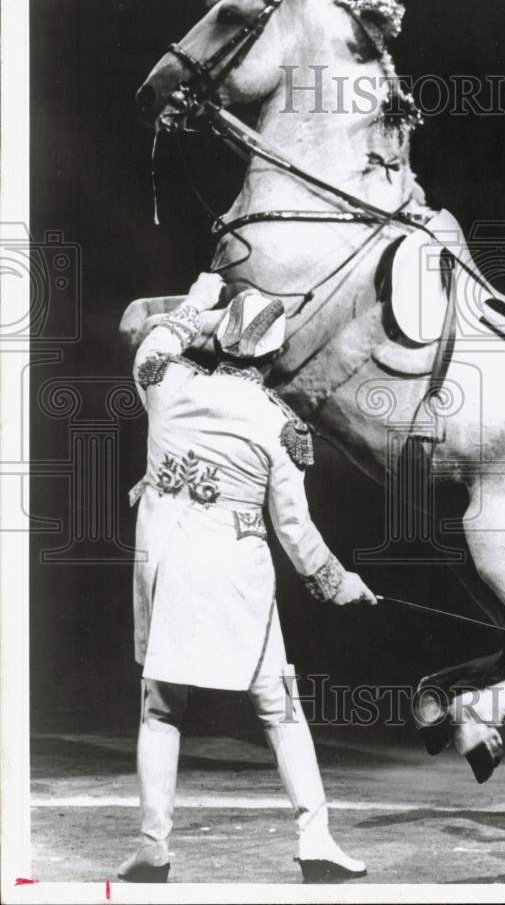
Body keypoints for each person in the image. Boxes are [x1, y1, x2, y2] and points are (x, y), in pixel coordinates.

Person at [117, 272, 377, 884]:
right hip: (235, 573)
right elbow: (294, 528)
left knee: (159, 709)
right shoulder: (276, 422)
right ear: (271, 353)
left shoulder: (167, 381)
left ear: (222, 340)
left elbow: (153, 341)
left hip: (167, 562)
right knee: (280, 707)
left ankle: (154, 849)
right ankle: (315, 839)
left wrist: (198, 302)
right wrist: (339, 582)